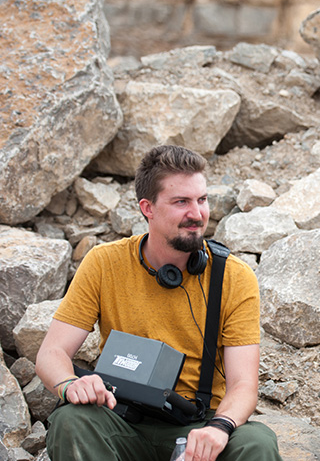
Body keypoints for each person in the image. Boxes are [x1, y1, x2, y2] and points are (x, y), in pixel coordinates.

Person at [36, 145, 281, 461]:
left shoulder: (234, 276)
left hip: (198, 426)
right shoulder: (103, 262)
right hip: (120, 419)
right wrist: (70, 384)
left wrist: (220, 426)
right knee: (71, 420)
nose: (197, 214)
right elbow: (51, 352)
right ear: (147, 208)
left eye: (202, 200)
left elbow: (243, 384)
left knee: (257, 441)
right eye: (181, 202)